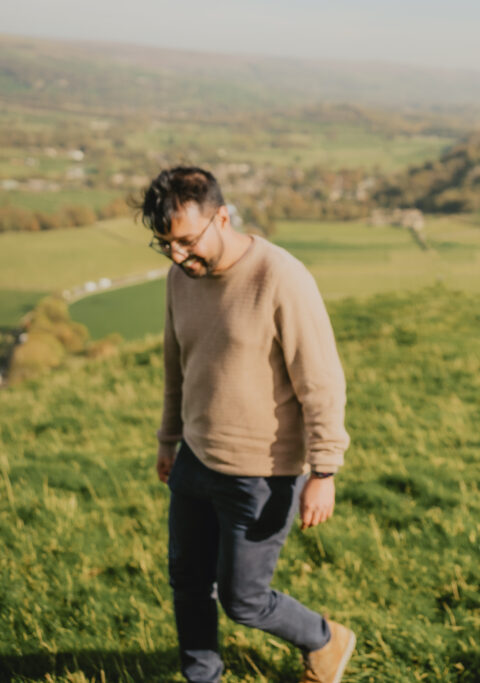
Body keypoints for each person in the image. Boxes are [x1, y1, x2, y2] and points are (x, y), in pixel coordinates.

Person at [142, 166, 356, 683]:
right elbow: (178, 369)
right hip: (194, 458)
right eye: (164, 245)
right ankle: (202, 676)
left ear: (221, 216)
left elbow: (321, 381)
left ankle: (327, 640)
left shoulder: (280, 276)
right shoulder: (180, 279)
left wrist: (323, 472)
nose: (176, 255)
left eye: (186, 241)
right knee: (187, 582)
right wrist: (169, 440)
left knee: (244, 600)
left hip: (264, 474)